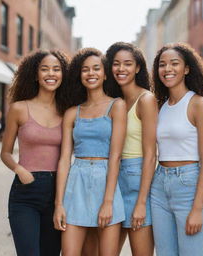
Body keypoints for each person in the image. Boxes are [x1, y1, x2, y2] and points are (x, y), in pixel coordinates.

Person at [53, 48, 126, 256]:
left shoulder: (116, 106)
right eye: (85, 69)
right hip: (76, 184)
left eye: (96, 68)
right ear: (79, 74)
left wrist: (108, 201)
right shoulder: (71, 113)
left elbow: (115, 156)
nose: (91, 73)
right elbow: (65, 159)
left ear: (104, 74)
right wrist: (59, 205)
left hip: (106, 183)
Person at [0, 50, 69, 256]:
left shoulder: (68, 111)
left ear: (63, 74)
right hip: (25, 192)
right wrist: (19, 169)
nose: (51, 74)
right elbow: (5, 152)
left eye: (56, 69)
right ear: (35, 74)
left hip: (58, 191)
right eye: (45, 69)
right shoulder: (19, 108)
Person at [151, 42, 203, 256]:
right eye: (162, 64)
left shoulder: (199, 104)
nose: (167, 69)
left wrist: (197, 209)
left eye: (174, 63)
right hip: (159, 185)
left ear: (186, 68)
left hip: (187, 185)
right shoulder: (160, 106)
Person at [106, 42, 157, 255]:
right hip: (112, 179)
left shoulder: (146, 99)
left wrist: (141, 203)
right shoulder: (113, 101)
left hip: (137, 180)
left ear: (137, 68)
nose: (121, 69)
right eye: (116, 64)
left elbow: (150, 155)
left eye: (127, 64)